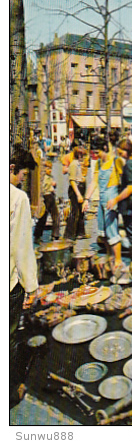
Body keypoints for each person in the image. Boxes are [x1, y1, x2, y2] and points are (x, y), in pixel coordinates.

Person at [10, 152, 38, 407]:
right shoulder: (17, 198)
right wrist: (31, 286)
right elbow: (22, 246)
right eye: (22, 175)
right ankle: (8, 394)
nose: (22, 180)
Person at [83, 136, 125, 275]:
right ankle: (110, 255)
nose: (95, 155)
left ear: (105, 149)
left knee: (112, 231)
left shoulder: (116, 161)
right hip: (101, 199)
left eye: (97, 152)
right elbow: (94, 181)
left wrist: (118, 199)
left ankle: (118, 260)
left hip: (111, 199)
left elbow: (125, 181)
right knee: (103, 232)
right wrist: (86, 199)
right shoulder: (99, 163)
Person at [34, 160, 60, 244]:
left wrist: (54, 185)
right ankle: (37, 236)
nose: (50, 170)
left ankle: (55, 235)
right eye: (48, 168)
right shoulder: (43, 177)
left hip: (51, 196)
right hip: (46, 197)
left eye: (51, 168)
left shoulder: (50, 177)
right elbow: (42, 188)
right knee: (43, 217)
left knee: (56, 215)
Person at [64, 146, 87, 240]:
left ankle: (80, 232)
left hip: (80, 187)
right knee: (74, 212)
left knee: (81, 212)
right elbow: (72, 180)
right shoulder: (73, 164)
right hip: (75, 189)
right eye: (81, 154)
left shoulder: (78, 164)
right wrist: (78, 194)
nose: (82, 157)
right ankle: (69, 234)